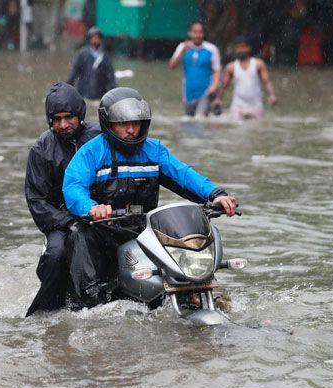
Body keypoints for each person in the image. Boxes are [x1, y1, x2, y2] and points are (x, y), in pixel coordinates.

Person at [62, 87, 237, 309]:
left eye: (137, 123)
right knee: (80, 236)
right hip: (102, 229)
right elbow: (73, 187)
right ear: (108, 124)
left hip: (141, 229)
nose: (131, 130)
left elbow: (183, 174)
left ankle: (190, 295)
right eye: (123, 124)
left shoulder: (154, 150)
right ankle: (84, 309)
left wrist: (216, 194)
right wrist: (92, 208)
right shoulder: (91, 152)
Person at [25, 82, 101, 317]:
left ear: (80, 114)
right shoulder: (42, 149)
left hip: (103, 215)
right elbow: (36, 200)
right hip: (61, 221)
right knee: (56, 255)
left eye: (69, 117)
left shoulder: (99, 137)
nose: (63, 125)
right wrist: (67, 221)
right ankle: (44, 313)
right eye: (56, 119)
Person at [211, 37, 277, 120]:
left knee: (257, 129)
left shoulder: (258, 64)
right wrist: (218, 99)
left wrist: (271, 95)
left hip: (256, 105)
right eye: (238, 48)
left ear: (249, 48)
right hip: (238, 106)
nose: (240, 50)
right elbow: (224, 86)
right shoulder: (231, 67)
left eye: (242, 47)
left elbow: (266, 82)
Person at [169, 21, 221, 117]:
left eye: (200, 32)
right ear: (190, 33)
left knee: (199, 119)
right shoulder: (182, 47)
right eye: (195, 32)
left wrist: (215, 86)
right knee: (189, 121)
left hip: (206, 92)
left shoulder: (211, 49)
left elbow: (217, 70)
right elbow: (172, 66)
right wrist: (182, 52)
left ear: (204, 33)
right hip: (188, 93)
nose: (198, 35)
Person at [67, 26, 116, 100]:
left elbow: (111, 77)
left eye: (97, 37)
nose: (95, 40)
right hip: (83, 93)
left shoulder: (105, 56)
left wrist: (114, 92)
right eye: (93, 37)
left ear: (101, 39)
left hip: (100, 94)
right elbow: (73, 73)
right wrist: (67, 89)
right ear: (89, 39)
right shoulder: (82, 54)